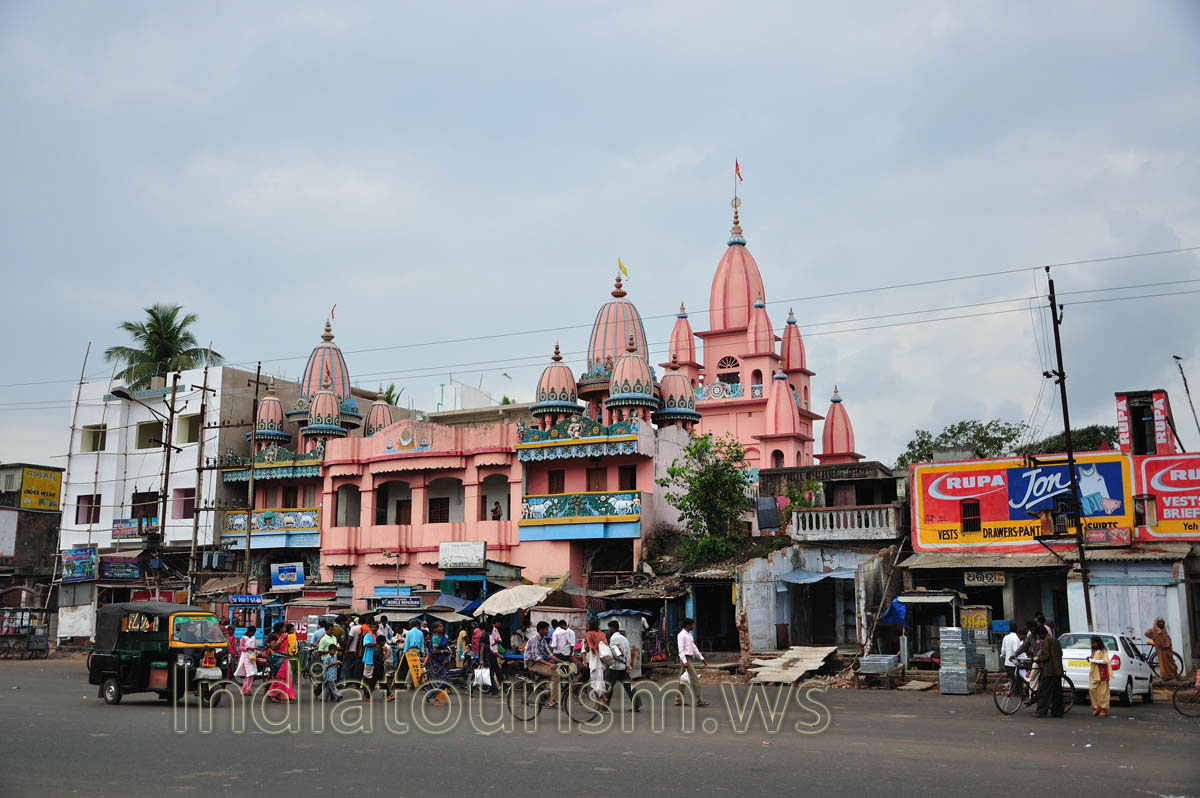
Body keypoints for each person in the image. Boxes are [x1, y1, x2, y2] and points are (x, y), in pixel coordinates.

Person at [606, 620, 641, 712]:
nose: (608, 630)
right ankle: (636, 704)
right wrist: (627, 664)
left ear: (612, 628)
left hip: (615, 666)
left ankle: (604, 705)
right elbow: (628, 652)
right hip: (623, 667)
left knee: (608, 685)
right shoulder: (624, 638)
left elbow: (616, 653)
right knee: (628, 686)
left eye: (609, 628)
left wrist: (623, 661)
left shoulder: (613, 639)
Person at [524, 620, 561, 708]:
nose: (548, 631)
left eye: (548, 629)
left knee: (558, 672)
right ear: (540, 630)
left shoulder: (543, 640)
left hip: (538, 663)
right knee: (556, 674)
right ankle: (552, 701)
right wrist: (549, 664)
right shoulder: (534, 639)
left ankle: (544, 694)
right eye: (546, 629)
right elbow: (536, 657)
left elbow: (550, 655)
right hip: (532, 664)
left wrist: (562, 661)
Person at [676, 618, 709, 707]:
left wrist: (701, 658)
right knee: (694, 678)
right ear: (688, 626)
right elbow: (681, 649)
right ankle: (699, 700)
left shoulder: (689, 635)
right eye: (692, 624)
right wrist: (684, 661)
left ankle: (678, 699)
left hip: (688, 658)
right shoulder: (681, 635)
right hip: (685, 659)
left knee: (682, 679)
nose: (694, 626)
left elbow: (694, 647)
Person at [1034, 626, 1064, 718]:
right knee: (1057, 693)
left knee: (1044, 692)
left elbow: (1046, 655)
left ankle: (1041, 711)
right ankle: (1058, 712)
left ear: (1041, 634)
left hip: (1049, 670)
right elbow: (1061, 653)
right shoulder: (1055, 639)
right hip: (1058, 670)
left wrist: (1038, 659)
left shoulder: (1046, 641)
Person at [582, 619, 609, 699]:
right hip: (602, 660)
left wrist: (584, 661)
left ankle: (597, 700)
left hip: (594, 661)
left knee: (594, 682)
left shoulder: (588, 635)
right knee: (600, 681)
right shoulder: (601, 634)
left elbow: (586, 649)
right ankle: (602, 697)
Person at [1088, 635, 1111, 717]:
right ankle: (1096, 707)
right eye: (1091, 643)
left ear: (1098, 643)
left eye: (1094, 643)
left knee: (1102, 692)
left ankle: (1103, 708)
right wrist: (1090, 659)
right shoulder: (1093, 651)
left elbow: (1105, 661)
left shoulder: (1103, 651)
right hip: (1093, 673)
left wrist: (1093, 660)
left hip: (1101, 674)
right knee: (1092, 690)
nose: (1092, 644)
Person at [234, 625, 259, 695]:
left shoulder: (253, 638)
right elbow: (241, 647)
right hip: (245, 658)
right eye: (252, 632)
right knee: (249, 674)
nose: (253, 634)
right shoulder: (244, 638)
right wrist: (248, 648)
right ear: (249, 631)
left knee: (251, 674)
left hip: (252, 657)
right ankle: (246, 689)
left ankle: (246, 689)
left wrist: (256, 648)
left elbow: (254, 646)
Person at [360, 621, 378, 699]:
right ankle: (365, 692)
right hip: (369, 658)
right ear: (370, 628)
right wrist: (376, 644)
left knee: (373, 676)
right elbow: (366, 644)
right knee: (367, 676)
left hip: (376, 659)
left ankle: (368, 692)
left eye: (376, 627)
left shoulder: (378, 635)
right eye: (373, 627)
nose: (374, 629)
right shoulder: (367, 635)